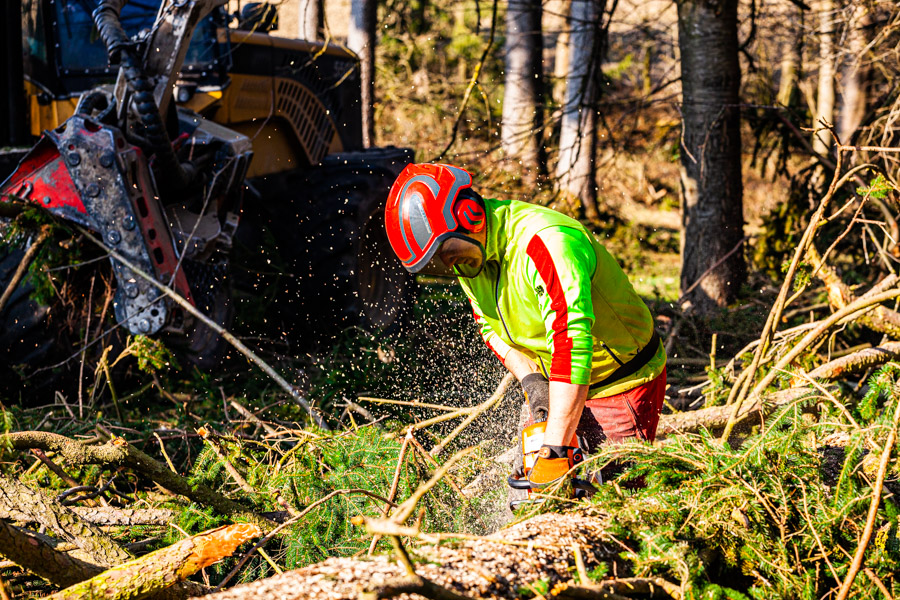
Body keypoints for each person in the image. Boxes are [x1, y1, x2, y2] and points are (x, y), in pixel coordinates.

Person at [383, 163, 667, 491]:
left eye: (449, 252)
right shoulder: (470, 259)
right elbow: (489, 326)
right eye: (441, 263)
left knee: (612, 497)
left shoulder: (545, 242)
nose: (453, 265)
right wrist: (532, 381)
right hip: (558, 381)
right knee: (534, 489)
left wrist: (557, 447)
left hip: (618, 382)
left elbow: (571, 339)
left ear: (469, 214)